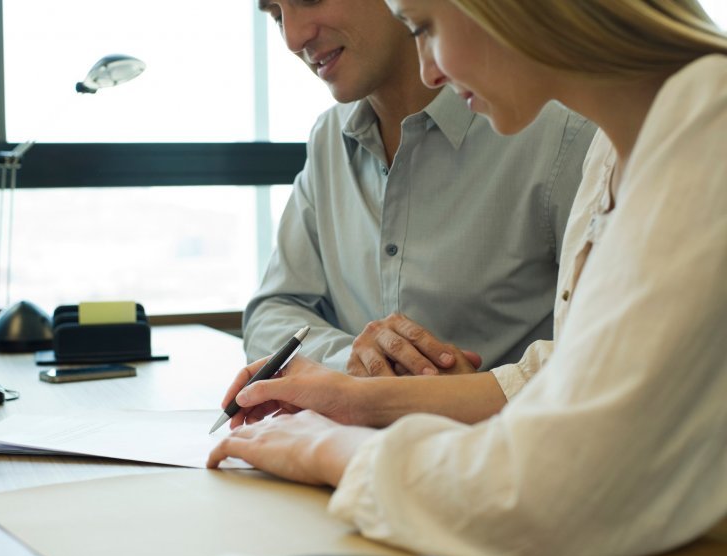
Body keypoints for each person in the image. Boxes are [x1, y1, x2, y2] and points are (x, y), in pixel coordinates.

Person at [209, 1, 727, 556]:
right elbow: (571, 373)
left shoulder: (703, 132)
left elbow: (559, 490)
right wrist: (360, 400)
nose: (428, 72)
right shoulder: (617, 149)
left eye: (424, 27)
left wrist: (338, 450)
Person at [245, 0, 595, 376]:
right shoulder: (328, 137)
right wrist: (358, 361)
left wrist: (457, 393)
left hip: (509, 433)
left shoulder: (566, 133)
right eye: (277, 16)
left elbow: (608, 354)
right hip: (355, 435)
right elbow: (272, 312)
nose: (293, 38)